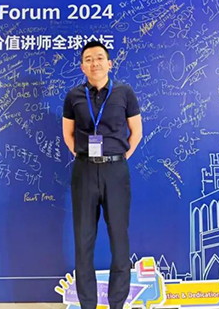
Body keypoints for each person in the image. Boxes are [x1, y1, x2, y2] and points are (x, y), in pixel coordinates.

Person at [62, 40, 143, 309]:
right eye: (88, 59)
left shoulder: (124, 92)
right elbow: (68, 134)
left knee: (119, 237)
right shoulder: (73, 96)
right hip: (84, 171)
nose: (94, 63)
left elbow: (136, 132)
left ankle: (117, 303)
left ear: (109, 63)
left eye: (99, 58)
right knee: (83, 239)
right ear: (82, 66)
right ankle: (87, 304)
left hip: (115, 171)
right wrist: (85, 157)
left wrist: (119, 158)